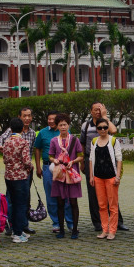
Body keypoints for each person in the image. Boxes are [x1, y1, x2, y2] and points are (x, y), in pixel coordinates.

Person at [79, 102, 128, 232]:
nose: (98, 112)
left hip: (108, 161)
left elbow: (114, 130)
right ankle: (97, 222)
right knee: (93, 192)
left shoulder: (106, 123)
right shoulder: (86, 125)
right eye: (96, 109)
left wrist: (105, 116)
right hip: (91, 161)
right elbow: (82, 144)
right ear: (91, 111)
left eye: (100, 109)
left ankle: (117, 222)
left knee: (112, 193)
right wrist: (82, 162)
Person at [34, 112, 73, 233]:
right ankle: (56, 222)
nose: (51, 121)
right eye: (49, 119)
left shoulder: (65, 132)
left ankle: (70, 222)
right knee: (51, 196)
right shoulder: (42, 133)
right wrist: (38, 167)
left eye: (53, 119)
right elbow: (37, 149)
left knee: (66, 195)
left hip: (63, 168)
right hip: (47, 168)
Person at [87, 117, 123, 239]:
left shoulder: (113, 141)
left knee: (112, 205)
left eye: (105, 127)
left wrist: (118, 176)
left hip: (111, 177)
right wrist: (91, 176)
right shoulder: (94, 141)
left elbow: (119, 159)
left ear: (108, 128)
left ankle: (112, 230)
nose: (103, 130)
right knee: (102, 205)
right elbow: (91, 159)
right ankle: (104, 230)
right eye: (100, 128)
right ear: (97, 129)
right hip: (98, 177)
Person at [49, 113, 83, 239]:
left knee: (73, 202)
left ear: (69, 125)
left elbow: (81, 155)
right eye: (60, 125)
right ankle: (61, 230)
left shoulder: (75, 140)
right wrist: (54, 160)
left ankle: (74, 230)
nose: (63, 127)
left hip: (71, 173)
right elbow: (50, 155)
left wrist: (73, 162)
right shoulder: (54, 141)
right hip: (59, 175)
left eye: (65, 124)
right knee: (60, 203)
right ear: (57, 127)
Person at [2, 117, 34, 243]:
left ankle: (14, 230)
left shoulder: (7, 141)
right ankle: (18, 233)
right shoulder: (23, 142)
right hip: (20, 177)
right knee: (21, 205)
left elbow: (4, 160)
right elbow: (26, 161)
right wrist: (30, 167)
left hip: (8, 176)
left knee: (13, 204)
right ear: (22, 129)